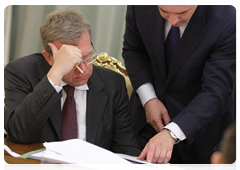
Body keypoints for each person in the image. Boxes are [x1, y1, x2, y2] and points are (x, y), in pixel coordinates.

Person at [4, 9, 141, 156]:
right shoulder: (21, 72)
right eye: (72, 63)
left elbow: (127, 150)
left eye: (87, 56)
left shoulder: (113, 83)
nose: (83, 70)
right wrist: (55, 74)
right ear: (49, 58)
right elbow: (20, 133)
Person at [122, 5, 238, 169]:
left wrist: (172, 133)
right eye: (164, 12)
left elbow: (216, 90)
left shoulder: (230, 18)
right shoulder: (139, 6)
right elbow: (134, 50)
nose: (174, 21)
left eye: (183, 13)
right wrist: (149, 99)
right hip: (147, 125)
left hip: (202, 133)